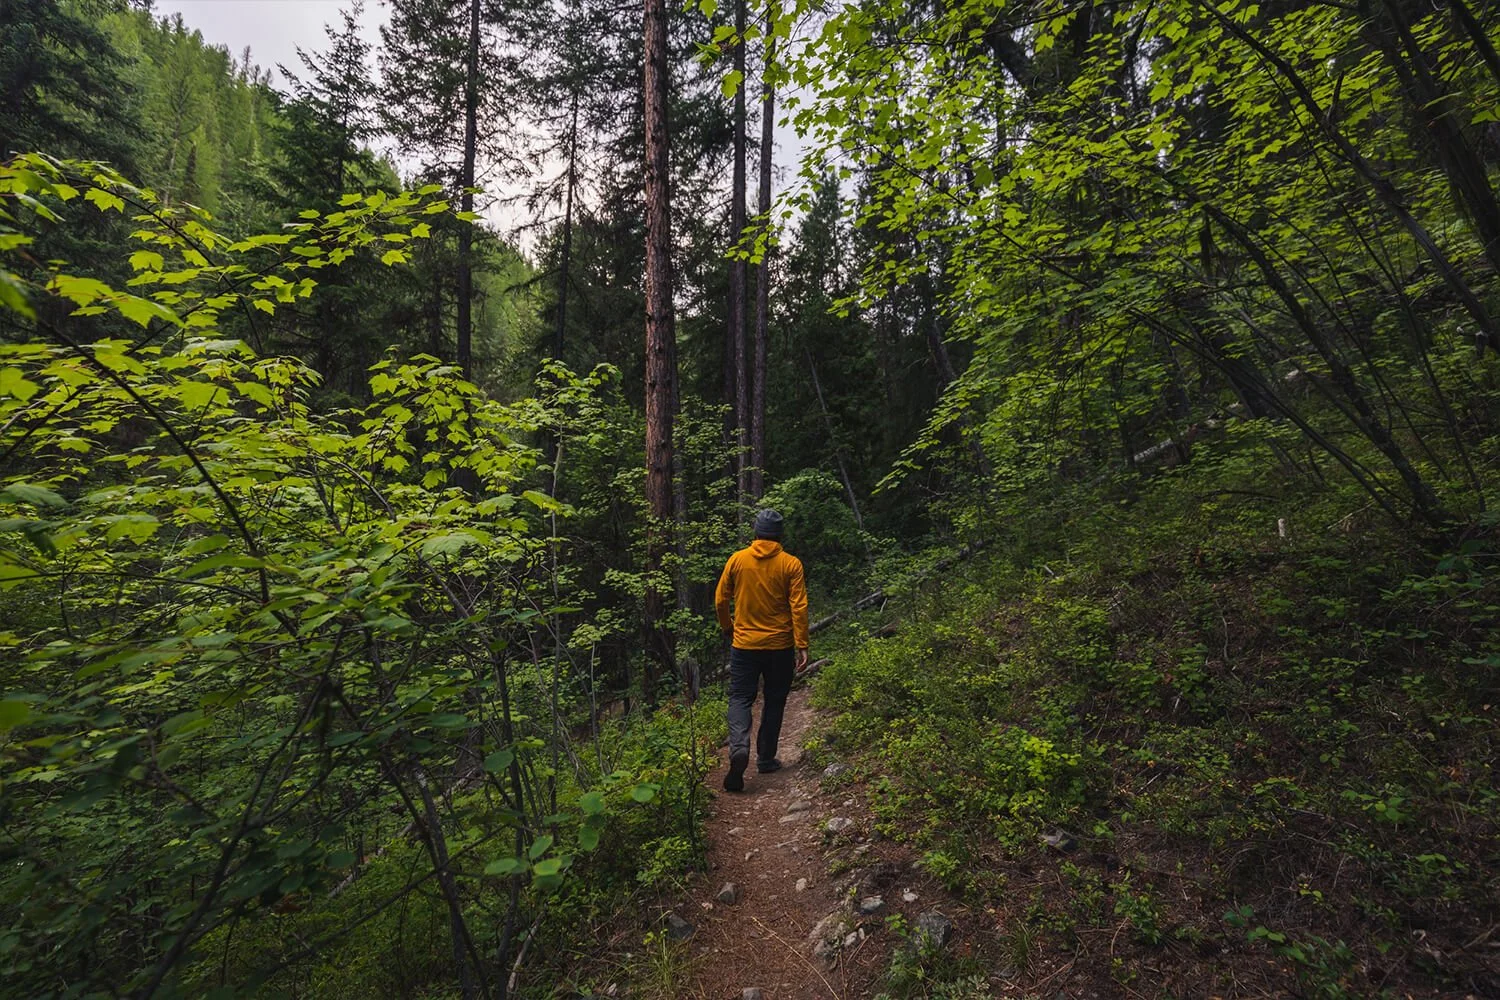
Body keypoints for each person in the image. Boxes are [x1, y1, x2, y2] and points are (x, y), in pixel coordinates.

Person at [714, 508, 810, 792]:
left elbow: (720, 600)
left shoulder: (737, 560)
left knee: (740, 698)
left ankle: (739, 748)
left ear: (755, 532)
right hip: (780, 646)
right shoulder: (791, 564)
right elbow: (799, 607)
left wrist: (728, 627)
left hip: (744, 645)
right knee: (775, 699)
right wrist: (802, 644)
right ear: (779, 535)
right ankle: (766, 759)